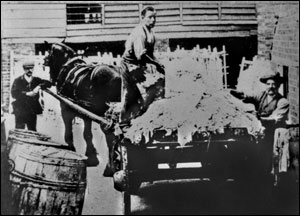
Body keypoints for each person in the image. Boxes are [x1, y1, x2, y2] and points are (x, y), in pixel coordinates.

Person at [230, 72, 289, 177]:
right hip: (261, 131)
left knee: (270, 158)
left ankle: (269, 177)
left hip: (275, 134)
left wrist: (257, 117)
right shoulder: (261, 95)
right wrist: (237, 94)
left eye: (274, 84)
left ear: (279, 86)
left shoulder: (283, 102)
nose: (271, 87)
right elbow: (247, 96)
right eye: (268, 84)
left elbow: (274, 119)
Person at [119, 6, 165, 123]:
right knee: (130, 92)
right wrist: (155, 64)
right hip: (128, 64)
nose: (153, 20)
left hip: (139, 64)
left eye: (155, 18)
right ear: (142, 18)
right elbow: (140, 55)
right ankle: (123, 121)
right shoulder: (140, 33)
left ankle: (145, 114)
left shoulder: (151, 34)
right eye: (150, 17)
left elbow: (150, 54)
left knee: (156, 84)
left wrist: (159, 64)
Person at [11, 60, 52, 131]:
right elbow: (14, 94)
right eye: (27, 68)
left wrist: (39, 86)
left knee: (32, 130)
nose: (30, 70)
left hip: (32, 110)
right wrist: (27, 93)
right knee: (19, 130)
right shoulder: (18, 80)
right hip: (20, 110)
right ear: (24, 69)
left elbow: (49, 84)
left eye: (31, 68)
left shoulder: (36, 80)